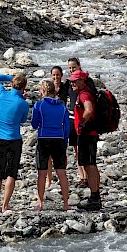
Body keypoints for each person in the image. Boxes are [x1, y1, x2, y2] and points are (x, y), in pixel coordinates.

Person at [0, 73, 29, 213]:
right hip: (13, 139)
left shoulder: (1, 93)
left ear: (12, 84)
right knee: (11, 173)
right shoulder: (23, 104)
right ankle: (5, 205)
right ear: (24, 88)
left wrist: (10, 77)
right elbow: (23, 120)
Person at [31, 79, 70, 211]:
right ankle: (66, 204)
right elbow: (67, 128)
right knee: (61, 173)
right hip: (58, 139)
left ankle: (41, 203)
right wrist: (64, 143)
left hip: (44, 138)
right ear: (55, 91)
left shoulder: (39, 105)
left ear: (42, 91)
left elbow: (34, 124)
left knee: (42, 173)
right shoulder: (62, 106)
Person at [68, 70, 102, 211]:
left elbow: (88, 109)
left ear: (82, 81)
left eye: (75, 81)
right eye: (71, 81)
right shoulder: (84, 93)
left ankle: (95, 197)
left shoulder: (84, 94)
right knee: (89, 164)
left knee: (90, 164)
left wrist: (81, 123)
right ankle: (95, 196)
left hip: (87, 134)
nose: (72, 83)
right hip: (88, 133)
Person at [66, 57, 95, 188]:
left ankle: (90, 182)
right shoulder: (70, 82)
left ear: (79, 66)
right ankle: (83, 177)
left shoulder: (87, 84)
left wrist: (82, 122)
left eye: (73, 67)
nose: (71, 69)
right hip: (73, 118)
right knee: (77, 149)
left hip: (84, 122)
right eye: (70, 68)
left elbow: (89, 107)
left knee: (86, 155)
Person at [46, 66, 69, 186]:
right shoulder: (48, 88)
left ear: (61, 75)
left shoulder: (65, 87)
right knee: (48, 155)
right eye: (54, 75)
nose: (56, 77)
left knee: (62, 153)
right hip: (49, 124)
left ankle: (61, 177)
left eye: (58, 75)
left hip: (61, 124)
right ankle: (49, 179)